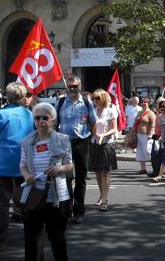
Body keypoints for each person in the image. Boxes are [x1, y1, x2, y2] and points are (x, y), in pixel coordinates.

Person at [20, 102, 73, 261]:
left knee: (57, 238)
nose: (41, 121)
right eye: (37, 118)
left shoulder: (62, 139)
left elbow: (70, 165)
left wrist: (60, 169)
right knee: (32, 241)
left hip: (56, 197)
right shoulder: (27, 141)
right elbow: (22, 165)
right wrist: (27, 176)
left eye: (45, 118)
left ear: (52, 120)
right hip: (34, 195)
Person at [0, 82, 35, 248]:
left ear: (8, 96)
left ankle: (0, 238)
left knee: (2, 202)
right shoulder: (28, 114)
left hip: (3, 163)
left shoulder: (1, 114)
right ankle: (31, 236)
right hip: (23, 162)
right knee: (25, 200)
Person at [55, 76, 97, 224]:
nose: (72, 89)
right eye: (70, 86)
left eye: (75, 86)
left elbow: (93, 121)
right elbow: (55, 123)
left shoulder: (86, 102)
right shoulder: (60, 101)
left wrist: (90, 139)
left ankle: (79, 211)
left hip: (82, 142)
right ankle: (67, 209)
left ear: (80, 86)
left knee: (81, 178)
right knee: (66, 178)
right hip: (64, 143)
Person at [89, 89, 117, 212]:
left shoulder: (110, 111)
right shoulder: (92, 111)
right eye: (93, 98)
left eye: (97, 98)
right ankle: (102, 195)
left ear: (103, 99)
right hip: (95, 144)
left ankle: (104, 200)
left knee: (105, 172)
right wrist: (94, 134)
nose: (94, 101)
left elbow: (114, 128)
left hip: (106, 144)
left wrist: (104, 135)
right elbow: (90, 127)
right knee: (97, 172)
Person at [131, 96, 155, 174]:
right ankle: (143, 169)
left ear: (148, 104)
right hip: (138, 134)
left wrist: (151, 134)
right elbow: (135, 123)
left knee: (148, 151)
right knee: (140, 152)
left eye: (145, 102)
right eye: (142, 102)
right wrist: (131, 132)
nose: (143, 104)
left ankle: (156, 168)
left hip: (146, 135)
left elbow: (153, 125)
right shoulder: (139, 112)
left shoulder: (151, 113)